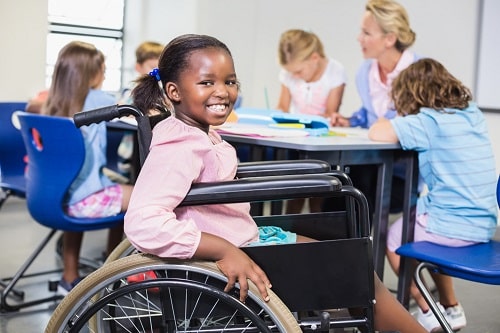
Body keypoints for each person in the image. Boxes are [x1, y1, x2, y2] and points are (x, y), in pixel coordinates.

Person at [124, 33, 426, 333]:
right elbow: (143, 222)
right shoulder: (179, 146)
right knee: (356, 271)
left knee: (353, 263)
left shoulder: (198, 133)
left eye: (229, 82)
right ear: (174, 91)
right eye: (207, 82)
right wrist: (223, 251)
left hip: (245, 236)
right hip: (233, 249)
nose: (222, 92)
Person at [368, 58, 498, 332]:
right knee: (417, 220)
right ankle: (451, 307)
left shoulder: (426, 122)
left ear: (410, 95)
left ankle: (427, 310)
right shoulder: (471, 113)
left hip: (450, 226)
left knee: (395, 237)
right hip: (485, 224)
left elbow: (378, 133)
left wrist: (386, 118)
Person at [41, 41, 133, 294]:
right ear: (92, 73)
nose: (104, 75)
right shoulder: (100, 98)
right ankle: (110, 271)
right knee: (140, 195)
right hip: (84, 200)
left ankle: (69, 276)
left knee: (113, 189)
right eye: (103, 69)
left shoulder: (51, 104)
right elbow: (132, 109)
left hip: (58, 198)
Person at [328, 0, 419, 215]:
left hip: (400, 173)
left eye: (366, 33)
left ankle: (359, 247)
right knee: (334, 195)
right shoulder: (365, 71)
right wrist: (351, 121)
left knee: (355, 201)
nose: (359, 38)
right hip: (368, 165)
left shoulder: (418, 74)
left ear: (389, 38)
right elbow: (370, 114)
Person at [276, 29, 347, 214]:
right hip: (295, 139)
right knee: (294, 191)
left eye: (298, 71)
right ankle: (290, 232)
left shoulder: (334, 71)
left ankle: (315, 231)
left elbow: (331, 113)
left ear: (315, 58)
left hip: (322, 141)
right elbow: (282, 107)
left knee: (320, 192)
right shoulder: (289, 73)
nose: (295, 76)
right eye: (291, 72)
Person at [116, 41, 165, 180]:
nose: (157, 73)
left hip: (156, 150)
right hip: (132, 153)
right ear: (138, 67)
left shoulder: (165, 91)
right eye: (152, 67)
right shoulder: (133, 90)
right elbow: (122, 109)